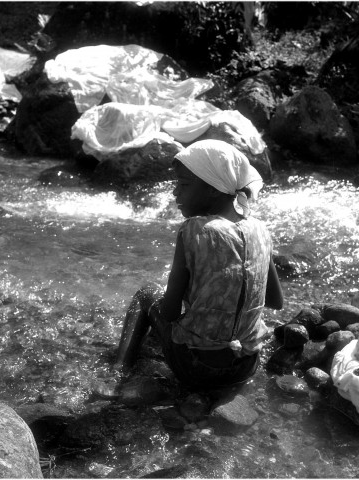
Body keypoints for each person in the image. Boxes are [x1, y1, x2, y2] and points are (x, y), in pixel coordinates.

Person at [114, 139, 283, 391]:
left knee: (147, 293)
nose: (175, 193)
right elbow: (275, 302)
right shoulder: (260, 229)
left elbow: (170, 313)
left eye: (183, 185)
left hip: (196, 368)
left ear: (214, 188)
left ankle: (118, 370)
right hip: (246, 365)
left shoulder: (194, 230)